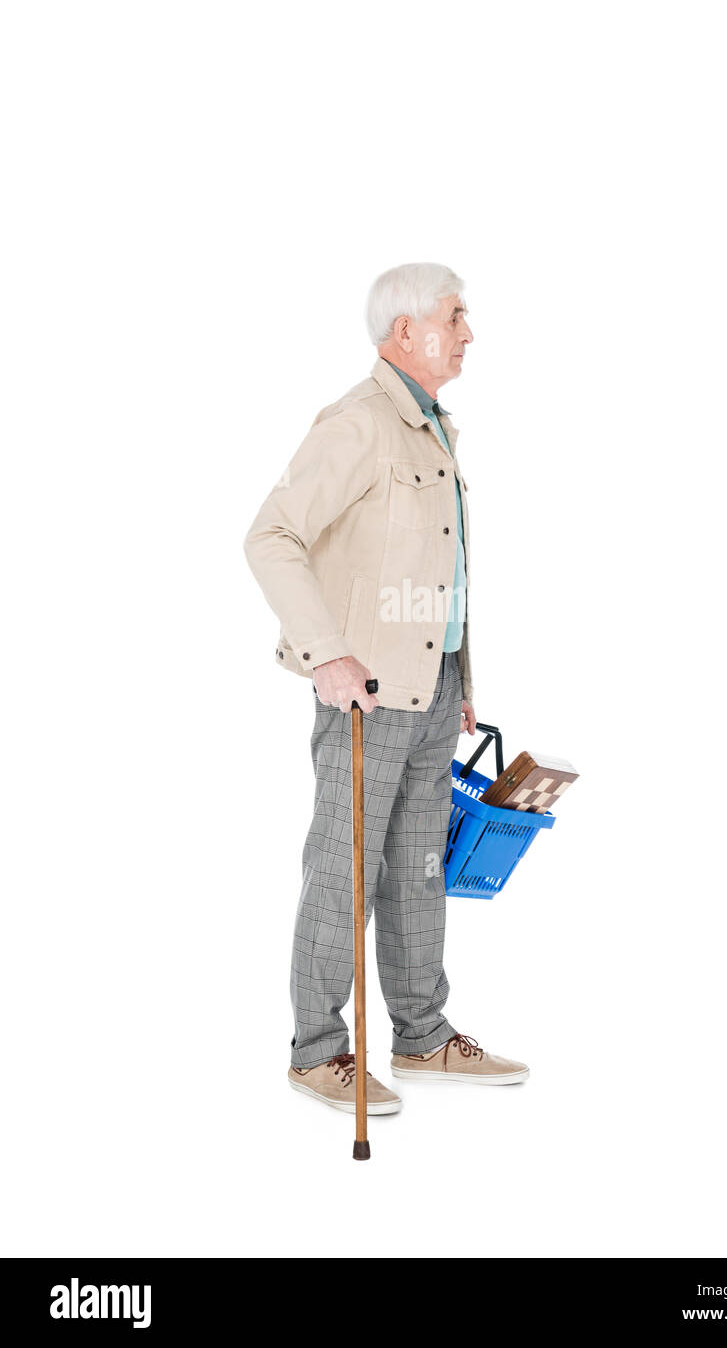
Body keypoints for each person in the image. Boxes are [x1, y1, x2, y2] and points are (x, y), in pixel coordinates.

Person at [243, 262, 528, 1117]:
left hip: (430, 686)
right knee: (344, 871)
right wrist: (324, 652)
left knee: (414, 869)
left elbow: (441, 568)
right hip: (362, 694)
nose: (468, 331)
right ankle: (318, 1052)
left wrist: (459, 677)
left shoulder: (433, 428)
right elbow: (271, 537)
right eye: (455, 316)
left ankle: (421, 1035)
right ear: (406, 331)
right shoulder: (359, 424)